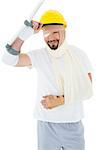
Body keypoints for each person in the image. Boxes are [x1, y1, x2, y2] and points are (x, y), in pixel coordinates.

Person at [2, 10, 93, 150]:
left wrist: (60, 100)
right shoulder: (39, 56)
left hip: (72, 124)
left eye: (55, 32)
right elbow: (8, 59)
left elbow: (87, 88)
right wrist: (24, 34)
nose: (50, 37)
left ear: (64, 31)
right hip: (46, 125)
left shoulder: (79, 55)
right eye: (46, 33)